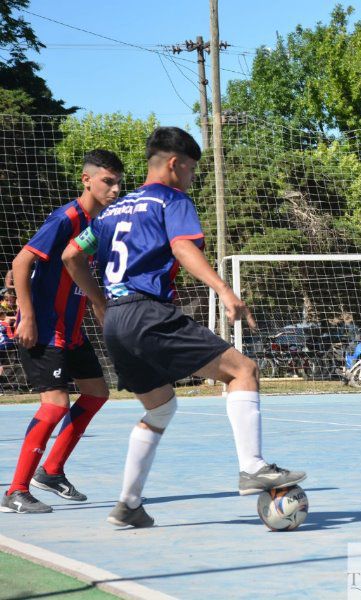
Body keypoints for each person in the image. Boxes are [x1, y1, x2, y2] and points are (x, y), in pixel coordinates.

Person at [62, 127, 305, 527]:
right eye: (191, 170)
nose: (192, 178)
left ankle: (128, 505)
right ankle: (253, 466)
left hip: (118, 321)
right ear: (174, 164)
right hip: (148, 312)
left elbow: (72, 255)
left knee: (160, 407)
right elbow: (181, 246)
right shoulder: (170, 199)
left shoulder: (108, 213)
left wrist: (99, 301)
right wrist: (225, 291)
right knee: (243, 370)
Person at [0, 150, 123, 515]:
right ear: (86, 180)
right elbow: (21, 262)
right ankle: (16, 490)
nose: (115, 189)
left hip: (71, 330)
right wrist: (27, 315)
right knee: (54, 405)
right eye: (107, 181)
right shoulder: (66, 218)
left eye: (119, 182)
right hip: (44, 329)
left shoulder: (102, 223)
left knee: (97, 394)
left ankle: (51, 471)